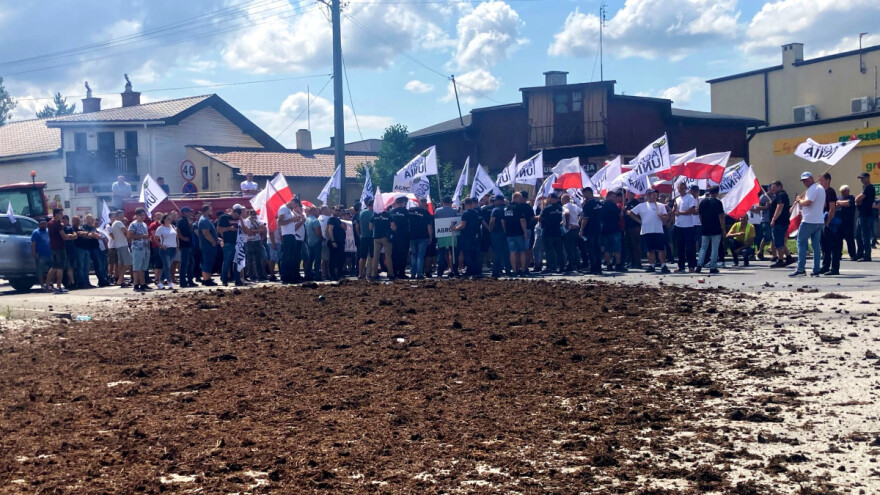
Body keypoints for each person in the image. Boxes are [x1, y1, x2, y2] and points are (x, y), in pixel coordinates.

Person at [791, 171, 826, 277]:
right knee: (816, 246)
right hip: (819, 220)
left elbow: (808, 203)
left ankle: (801, 268)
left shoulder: (812, 189)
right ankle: (816, 270)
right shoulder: (820, 188)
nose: (805, 182)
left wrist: (799, 200)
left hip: (809, 220)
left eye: (806, 179)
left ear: (811, 178)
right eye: (803, 180)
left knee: (800, 242)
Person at [627, 188, 670, 273]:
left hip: (658, 230)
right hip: (646, 230)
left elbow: (666, 217)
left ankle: (663, 265)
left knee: (661, 249)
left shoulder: (660, 205)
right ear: (648, 195)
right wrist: (639, 221)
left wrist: (663, 217)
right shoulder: (642, 205)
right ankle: (651, 265)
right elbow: (630, 212)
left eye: (656, 194)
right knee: (650, 250)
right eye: (653, 194)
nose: (655, 196)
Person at [696, 186, 726, 274]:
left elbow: (700, 215)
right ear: (717, 193)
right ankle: (713, 266)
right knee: (715, 247)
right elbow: (721, 216)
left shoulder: (703, 202)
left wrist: (703, 223)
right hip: (716, 227)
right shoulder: (718, 202)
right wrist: (723, 229)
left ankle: (699, 265)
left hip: (705, 227)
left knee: (703, 247)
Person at [277, 198, 305, 284]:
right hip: (287, 235)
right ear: (293, 202)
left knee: (292, 257)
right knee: (286, 257)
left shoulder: (289, 210)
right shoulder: (283, 209)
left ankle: (291, 275)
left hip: (292, 234)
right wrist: (291, 220)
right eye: (295, 205)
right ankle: (285, 276)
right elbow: (280, 222)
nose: (295, 207)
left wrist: (295, 220)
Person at [452, 197, 482, 278]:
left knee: (467, 254)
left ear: (465, 204)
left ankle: (470, 270)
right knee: (474, 254)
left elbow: (463, 225)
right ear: (472, 203)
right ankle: (476, 270)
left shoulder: (465, 213)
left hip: (466, 236)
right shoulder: (476, 212)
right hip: (474, 235)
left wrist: (455, 228)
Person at [46, 208, 73, 294]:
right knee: (60, 267)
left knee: (54, 267)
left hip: (53, 247)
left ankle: (46, 285)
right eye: (60, 214)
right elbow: (64, 236)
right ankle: (58, 287)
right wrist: (72, 236)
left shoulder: (50, 223)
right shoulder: (57, 224)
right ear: (56, 214)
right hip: (59, 247)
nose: (61, 215)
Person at [818, 173, 841, 275]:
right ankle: (825, 266)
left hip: (830, 223)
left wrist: (827, 222)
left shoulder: (830, 191)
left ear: (828, 180)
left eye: (822, 180)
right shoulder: (822, 192)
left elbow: (832, 208)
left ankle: (835, 268)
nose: (820, 182)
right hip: (822, 221)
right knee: (824, 245)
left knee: (833, 247)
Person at [768, 181, 794, 267]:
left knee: (778, 241)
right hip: (782, 222)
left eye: (774, 187)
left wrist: (773, 219)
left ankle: (780, 260)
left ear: (780, 187)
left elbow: (780, 207)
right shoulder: (780, 195)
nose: (773, 189)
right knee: (781, 240)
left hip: (779, 222)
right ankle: (789, 257)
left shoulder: (781, 195)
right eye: (772, 187)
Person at [504, 192, 530, 277]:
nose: (521, 200)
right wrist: (525, 232)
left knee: (512, 252)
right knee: (522, 252)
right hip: (518, 233)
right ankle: (522, 270)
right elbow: (522, 220)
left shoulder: (506, 208)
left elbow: (503, 221)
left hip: (509, 234)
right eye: (519, 198)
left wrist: (505, 230)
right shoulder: (518, 208)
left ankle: (514, 270)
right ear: (515, 198)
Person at [80, 214, 110, 287]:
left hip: (97, 248)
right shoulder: (84, 227)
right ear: (86, 220)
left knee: (100, 265)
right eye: (90, 219)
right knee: (95, 265)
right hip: (90, 248)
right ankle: (88, 282)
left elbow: (98, 236)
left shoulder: (93, 228)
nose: (91, 221)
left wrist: (94, 235)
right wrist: (93, 235)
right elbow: (89, 236)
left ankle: (102, 280)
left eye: (92, 219)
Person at [433, 196, 459, 278]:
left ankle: (440, 272)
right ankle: (455, 271)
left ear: (442, 202)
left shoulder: (438, 211)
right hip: (452, 234)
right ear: (450, 202)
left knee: (441, 253)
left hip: (442, 235)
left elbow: (435, 221)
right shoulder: (454, 211)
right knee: (454, 254)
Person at [579, 187, 603, 275]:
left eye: (584, 193)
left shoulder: (588, 204)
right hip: (598, 229)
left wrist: (581, 229)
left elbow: (585, 218)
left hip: (590, 230)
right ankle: (598, 267)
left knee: (591, 249)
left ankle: (593, 268)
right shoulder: (599, 203)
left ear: (588, 193)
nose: (583, 195)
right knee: (597, 249)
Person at [218, 205, 243, 286]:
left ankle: (237, 279)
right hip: (228, 242)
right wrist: (229, 228)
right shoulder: (224, 218)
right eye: (235, 214)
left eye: (237, 216)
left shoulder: (239, 219)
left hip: (237, 242)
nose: (235, 217)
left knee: (236, 262)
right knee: (227, 261)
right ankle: (224, 279)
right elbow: (218, 229)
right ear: (232, 212)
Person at [539, 193, 565, 274]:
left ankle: (550, 267)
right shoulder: (561, 208)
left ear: (551, 198)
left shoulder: (547, 209)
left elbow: (541, 218)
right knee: (559, 251)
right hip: (557, 231)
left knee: (549, 251)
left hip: (547, 232)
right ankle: (561, 267)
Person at [599, 190, 624, 271]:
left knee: (607, 249)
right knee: (617, 248)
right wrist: (622, 211)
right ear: (608, 197)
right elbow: (620, 215)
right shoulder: (613, 205)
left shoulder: (601, 205)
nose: (615, 198)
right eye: (613, 197)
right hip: (614, 229)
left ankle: (609, 265)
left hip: (605, 229)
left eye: (615, 197)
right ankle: (618, 264)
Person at [408, 198, 432, 279]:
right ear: (425, 203)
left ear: (418, 202)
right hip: (423, 236)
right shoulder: (426, 213)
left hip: (412, 236)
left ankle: (412, 274)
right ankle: (419, 274)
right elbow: (429, 227)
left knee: (414, 255)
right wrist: (430, 237)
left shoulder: (410, 211)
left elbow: (407, 222)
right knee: (420, 256)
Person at [128, 207, 151, 292]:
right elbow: (130, 236)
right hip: (137, 248)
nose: (143, 217)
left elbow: (147, 236)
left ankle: (143, 284)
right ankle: (136, 284)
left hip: (145, 248)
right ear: (136, 215)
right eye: (141, 215)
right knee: (137, 267)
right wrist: (141, 236)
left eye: (143, 215)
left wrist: (148, 247)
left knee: (143, 268)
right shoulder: (133, 224)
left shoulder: (144, 224)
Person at [488, 195, 510, 278]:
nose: (494, 202)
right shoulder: (508, 208)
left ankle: (496, 271)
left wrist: (490, 229)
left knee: (497, 252)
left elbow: (492, 221)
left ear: (500, 201)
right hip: (507, 233)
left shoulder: (496, 210)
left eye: (495, 200)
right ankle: (508, 269)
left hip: (497, 232)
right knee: (506, 252)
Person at [855, 172, 876, 262]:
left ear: (868, 178)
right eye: (860, 178)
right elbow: (858, 200)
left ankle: (867, 255)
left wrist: (858, 200)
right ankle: (860, 253)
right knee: (857, 235)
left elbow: (858, 199)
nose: (861, 180)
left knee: (865, 236)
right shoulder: (865, 187)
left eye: (863, 178)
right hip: (862, 214)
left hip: (866, 215)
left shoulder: (869, 187)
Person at [241, 209, 267, 282]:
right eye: (252, 214)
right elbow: (249, 231)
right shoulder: (247, 221)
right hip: (250, 241)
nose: (253, 215)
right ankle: (252, 275)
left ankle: (260, 274)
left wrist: (260, 232)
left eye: (254, 214)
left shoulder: (256, 220)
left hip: (257, 241)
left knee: (258, 259)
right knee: (250, 260)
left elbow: (263, 226)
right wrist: (258, 231)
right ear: (249, 214)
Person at [370, 204, 394, 280]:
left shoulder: (374, 215)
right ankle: (390, 274)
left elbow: (370, 227)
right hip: (386, 237)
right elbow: (393, 226)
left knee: (375, 256)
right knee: (388, 256)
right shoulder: (388, 214)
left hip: (376, 237)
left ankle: (374, 274)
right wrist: (393, 230)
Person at [389, 197, 410, 279]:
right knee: (403, 255)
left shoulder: (391, 212)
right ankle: (401, 272)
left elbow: (390, 223)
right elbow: (409, 222)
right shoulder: (406, 212)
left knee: (394, 254)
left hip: (394, 236)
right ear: (402, 203)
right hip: (404, 236)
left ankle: (394, 272)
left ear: (396, 202)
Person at [155, 213, 178, 289]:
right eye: (168, 219)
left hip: (173, 249)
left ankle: (160, 282)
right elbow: (155, 239)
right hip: (165, 249)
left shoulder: (173, 227)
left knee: (167, 266)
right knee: (167, 266)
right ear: (164, 219)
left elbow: (176, 237)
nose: (170, 220)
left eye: (171, 219)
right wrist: (161, 246)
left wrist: (177, 246)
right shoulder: (160, 228)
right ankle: (170, 282)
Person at [197, 205, 219, 286]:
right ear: (205, 211)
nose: (212, 211)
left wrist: (217, 239)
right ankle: (206, 280)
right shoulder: (204, 220)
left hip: (208, 245)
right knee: (207, 262)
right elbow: (206, 232)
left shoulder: (206, 220)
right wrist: (213, 241)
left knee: (209, 261)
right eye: (210, 210)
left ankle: (208, 278)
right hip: (207, 245)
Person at [109, 210, 132, 287]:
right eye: (122, 215)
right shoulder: (119, 222)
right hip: (123, 245)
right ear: (118, 216)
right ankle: (120, 279)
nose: (123, 217)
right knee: (127, 262)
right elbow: (126, 231)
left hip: (118, 245)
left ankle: (121, 280)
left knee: (121, 264)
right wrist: (130, 236)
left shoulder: (113, 224)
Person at [561, 194, 583, 273]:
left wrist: (566, 224)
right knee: (574, 248)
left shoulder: (565, 206)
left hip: (569, 229)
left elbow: (567, 213)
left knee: (569, 248)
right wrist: (577, 221)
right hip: (576, 228)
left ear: (564, 200)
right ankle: (577, 264)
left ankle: (571, 265)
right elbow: (581, 213)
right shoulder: (575, 206)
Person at [71, 215, 94, 288]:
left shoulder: (81, 228)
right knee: (80, 266)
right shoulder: (72, 229)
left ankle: (87, 282)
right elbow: (82, 234)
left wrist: (85, 234)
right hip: (78, 249)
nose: (78, 222)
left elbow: (88, 235)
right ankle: (81, 282)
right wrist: (84, 234)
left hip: (86, 249)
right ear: (72, 221)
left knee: (86, 267)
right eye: (76, 220)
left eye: (78, 220)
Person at [30, 217, 52, 292]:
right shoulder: (35, 232)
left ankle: (49, 284)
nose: (43, 225)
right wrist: (34, 253)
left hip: (50, 253)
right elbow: (33, 244)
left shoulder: (48, 231)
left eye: (45, 223)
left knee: (52, 269)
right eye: (42, 224)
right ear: (38, 224)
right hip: (40, 255)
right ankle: (42, 285)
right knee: (40, 271)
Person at [622, 191, 642, 270]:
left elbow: (637, 213)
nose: (631, 194)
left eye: (632, 193)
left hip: (635, 226)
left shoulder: (636, 202)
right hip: (627, 226)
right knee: (629, 245)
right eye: (629, 193)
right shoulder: (626, 203)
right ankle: (631, 261)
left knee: (635, 244)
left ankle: (637, 262)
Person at [836, 185, 857, 260]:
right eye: (841, 192)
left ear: (848, 191)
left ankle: (853, 255)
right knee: (838, 240)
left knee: (849, 239)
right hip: (839, 222)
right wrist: (840, 203)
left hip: (848, 223)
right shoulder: (838, 197)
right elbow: (835, 205)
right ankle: (838, 255)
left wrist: (839, 203)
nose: (843, 193)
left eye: (844, 191)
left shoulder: (852, 197)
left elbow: (848, 203)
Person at [326, 205, 347, 280]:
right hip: (335, 242)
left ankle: (339, 273)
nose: (338, 212)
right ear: (332, 211)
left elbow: (345, 228)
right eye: (336, 210)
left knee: (341, 258)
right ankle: (333, 275)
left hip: (341, 242)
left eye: (339, 210)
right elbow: (329, 230)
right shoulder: (332, 219)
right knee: (333, 259)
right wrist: (333, 241)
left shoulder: (340, 220)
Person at [176, 207, 195, 287]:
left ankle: (190, 280)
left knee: (190, 263)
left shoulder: (186, 221)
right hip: (184, 244)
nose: (190, 213)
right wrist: (183, 238)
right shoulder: (181, 221)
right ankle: (183, 281)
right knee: (185, 263)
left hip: (189, 244)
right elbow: (177, 231)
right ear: (183, 212)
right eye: (188, 212)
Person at [356, 198, 375, 279]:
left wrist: (359, 234)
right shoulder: (373, 213)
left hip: (363, 236)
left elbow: (357, 225)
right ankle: (369, 273)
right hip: (371, 236)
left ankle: (360, 273)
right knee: (371, 256)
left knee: (362, 256)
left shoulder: (361, 213)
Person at [304, 206, 322, 281]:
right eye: (317, 211)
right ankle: (317, 275)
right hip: (316, 241)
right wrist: (322, 237)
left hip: (309, 241)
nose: (318, 213)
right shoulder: (315, 221)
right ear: (314, 211)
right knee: (317, 259)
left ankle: (308, 274)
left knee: (310, 259)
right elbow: (317, 231)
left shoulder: (307, 220)